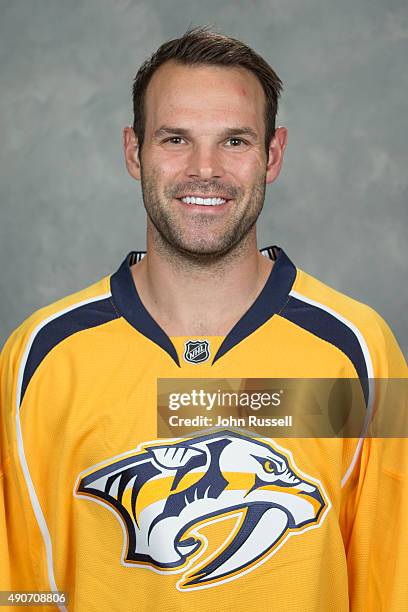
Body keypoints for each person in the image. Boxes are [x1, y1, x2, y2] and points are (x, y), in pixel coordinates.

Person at [0, 25, 406, 612]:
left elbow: (391, 583)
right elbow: (20, 588)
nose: (204, 169)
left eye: (235, 141)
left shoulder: (360, 351)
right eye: (175, 139)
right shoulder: (40, 357)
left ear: (273, 155)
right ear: (134, 152)